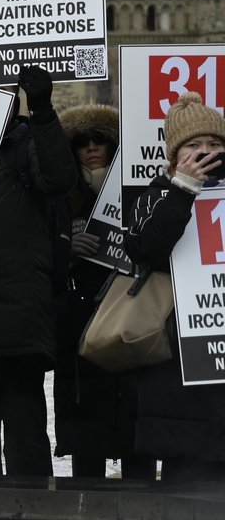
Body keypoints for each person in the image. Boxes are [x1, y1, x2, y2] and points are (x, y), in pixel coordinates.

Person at [0, 65, 78, 478]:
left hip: (18, 321)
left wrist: (43, 110)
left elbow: (59, 178)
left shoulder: (27, 139)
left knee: (26, 437)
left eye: (1, 87)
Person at [126, 92, 225, 485]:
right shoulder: (155, 195)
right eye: (194, 146)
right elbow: (145, 248)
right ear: (174, 153)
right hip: (181, 360)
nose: (206, 153)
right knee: (187, 482)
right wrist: (183, 189)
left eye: (215, 144)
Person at [53, 104, 152, 481]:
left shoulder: (140, 192)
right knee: (85, 436)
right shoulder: (59, 198)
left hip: (132, 313)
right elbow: (40, 253)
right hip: (80, 322)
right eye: (82, 141)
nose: (92, 147)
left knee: (136, 426)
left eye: (101, 139)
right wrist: (66, 247)